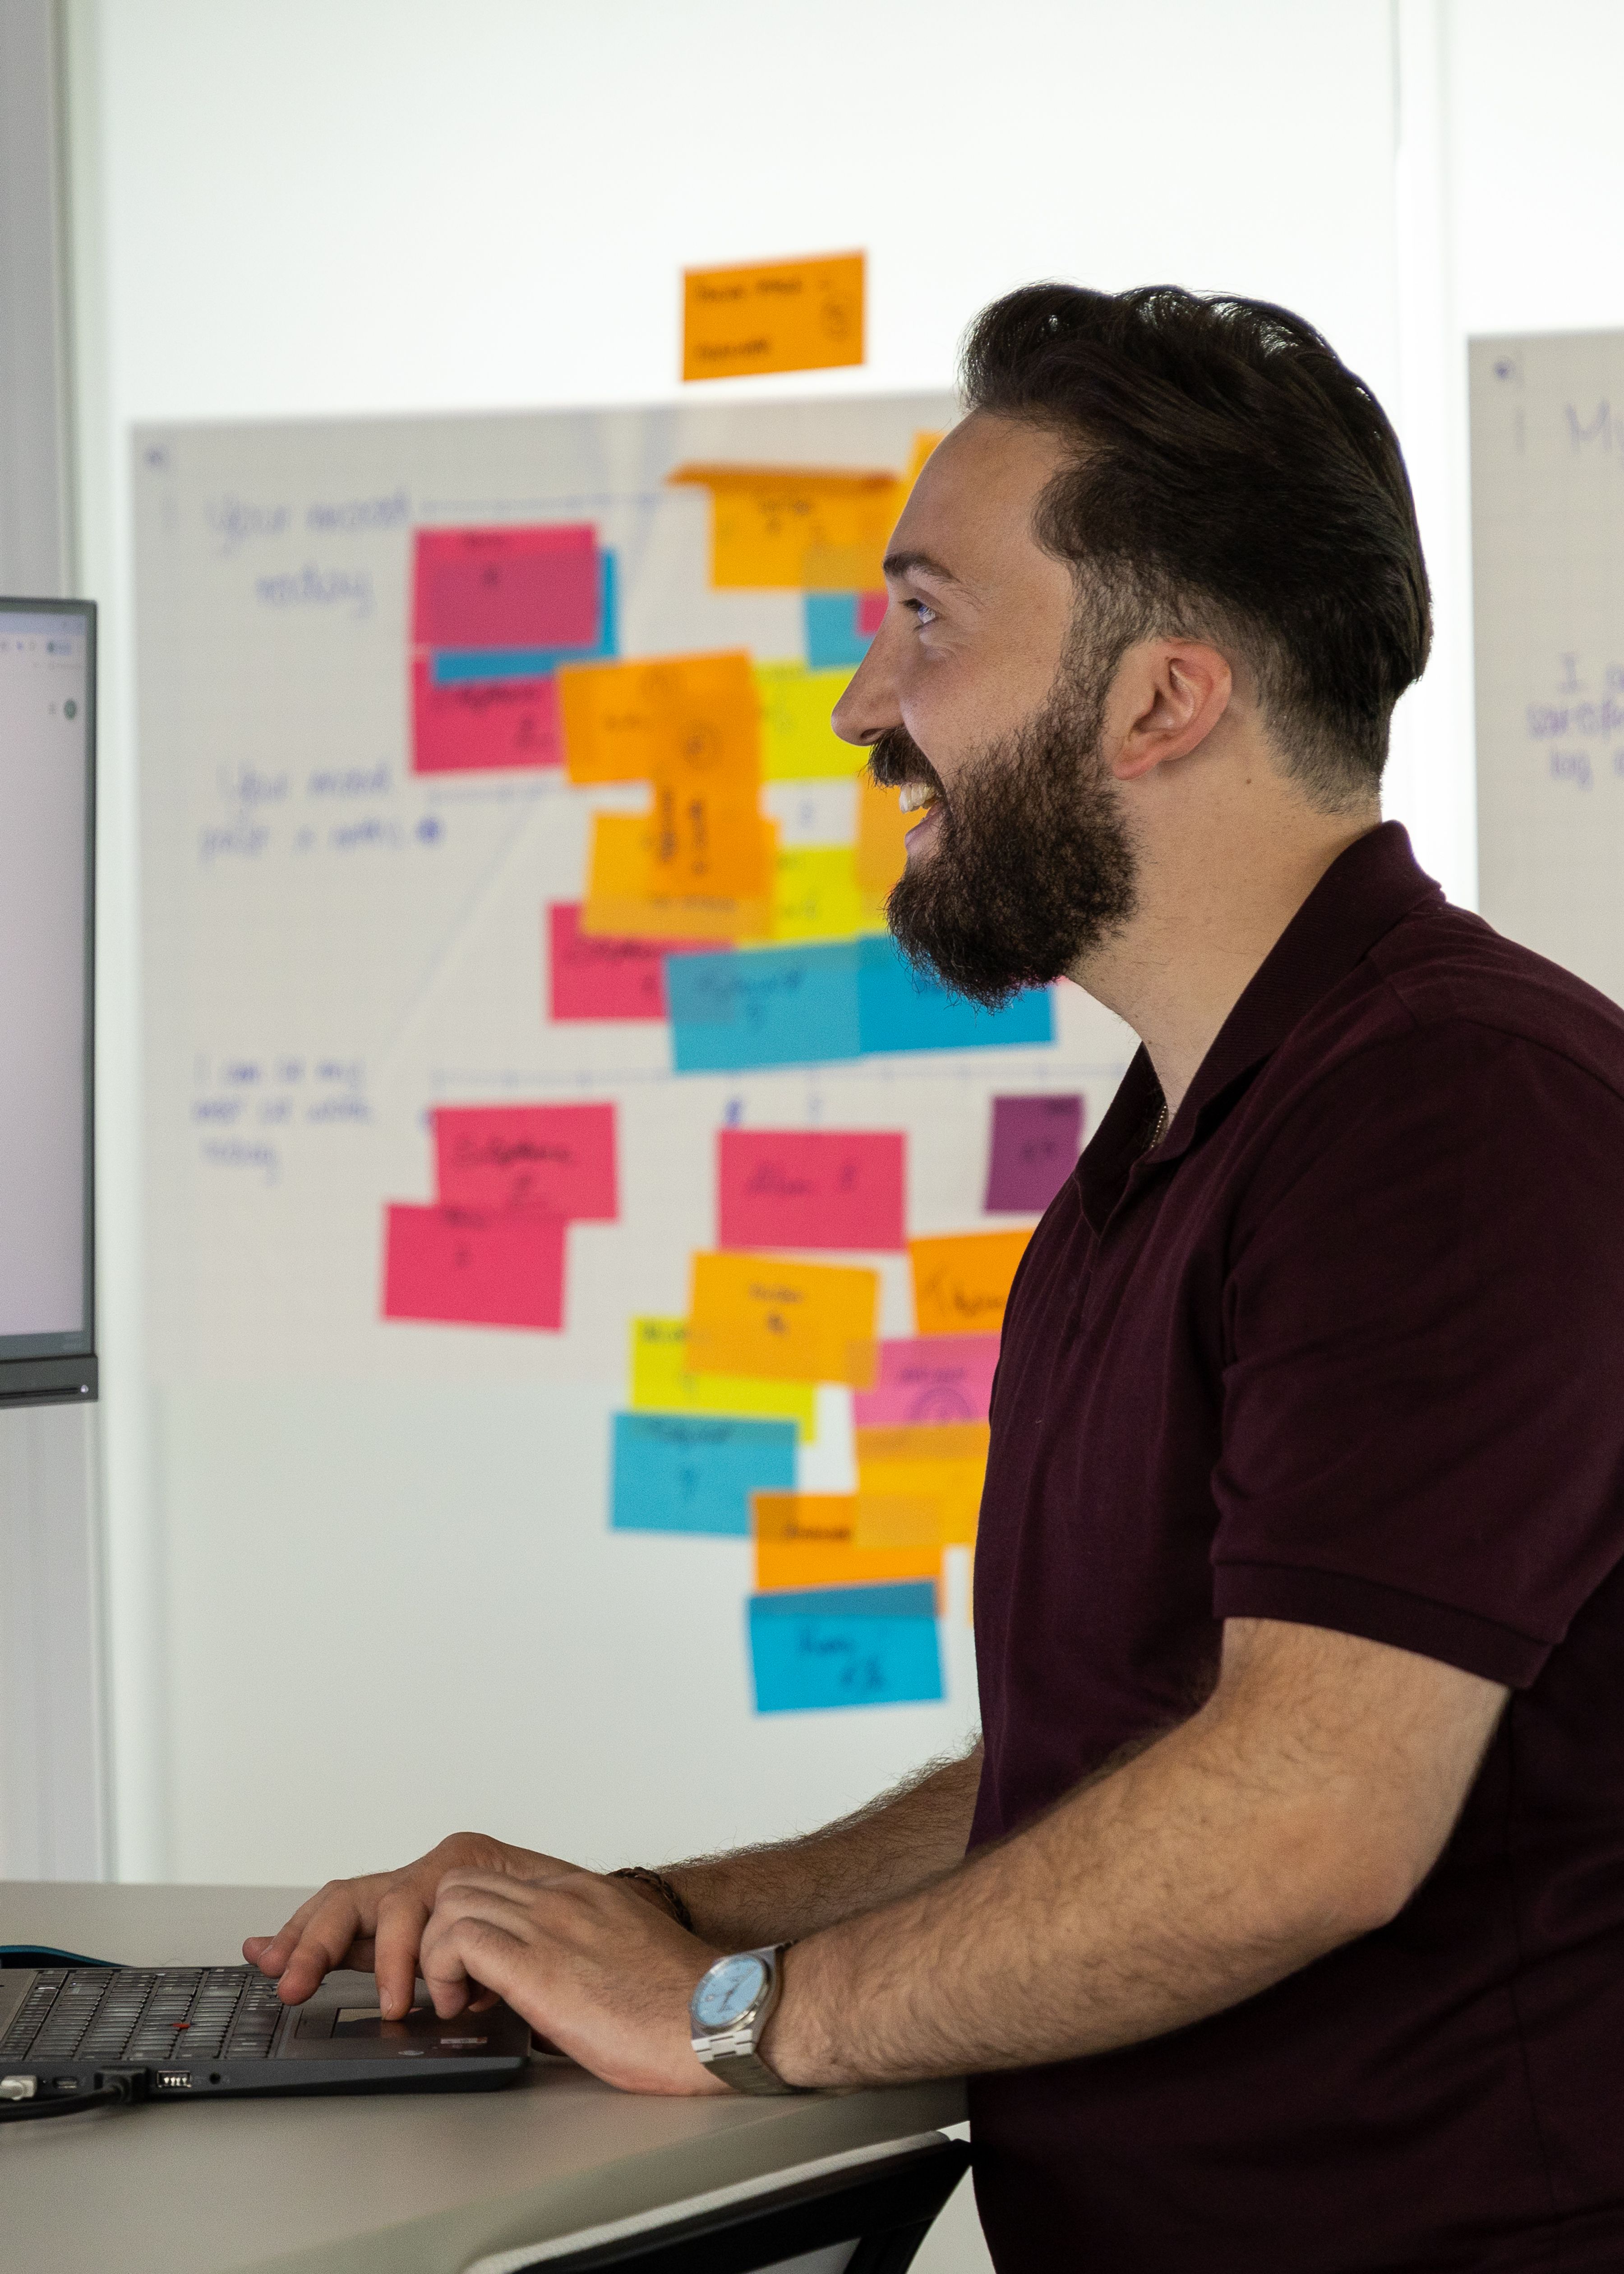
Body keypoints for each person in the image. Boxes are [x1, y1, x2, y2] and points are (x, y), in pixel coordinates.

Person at [247, 285, 1624, 2270]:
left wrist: (727, 2021)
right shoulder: (1180, 1143)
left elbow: (1303, 1820)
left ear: (1162, 701)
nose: (863, 706)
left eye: (927, 620)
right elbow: (1113, 1764)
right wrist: (645, 1922)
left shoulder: (1454, 1116)